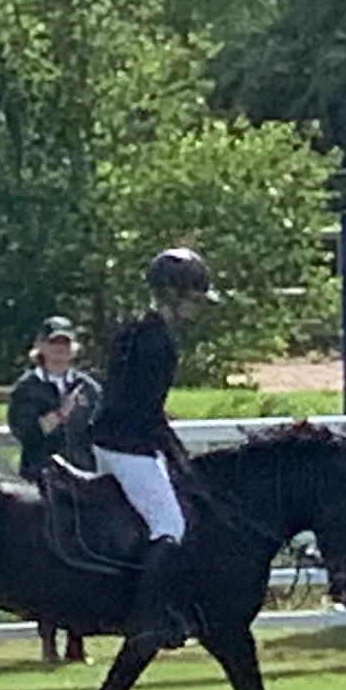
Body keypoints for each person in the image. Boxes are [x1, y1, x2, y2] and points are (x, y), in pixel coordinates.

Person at [91, 246, 220, 653]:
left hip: (110, 436)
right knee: (171, 525)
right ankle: (151, 616)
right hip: (128, 444)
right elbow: (145, 410)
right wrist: (174, 450)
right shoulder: (157, 342)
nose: (199, 306)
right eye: (194, 296)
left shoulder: (136, 329)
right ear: (173, 294)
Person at [8, 316, 102, 667]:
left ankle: (77, 641)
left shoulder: (88, 388)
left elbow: (100, 428)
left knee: (85, 557)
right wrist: (59, 415)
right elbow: (26, 432)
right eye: (54, 344)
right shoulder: (27, 389)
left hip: (83, 480)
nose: (60, 351)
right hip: (42, 480)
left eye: (65, 344)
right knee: (45, 560)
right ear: (42, 348)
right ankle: (48, 640)